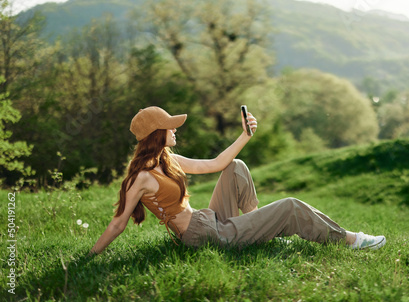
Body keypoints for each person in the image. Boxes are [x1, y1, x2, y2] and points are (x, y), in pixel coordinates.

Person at [89, 106, 386, 255]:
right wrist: (89, 256)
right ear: (156, 133)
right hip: (205, 236)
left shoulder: (167, 160)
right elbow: (118, 223)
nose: (176, 131)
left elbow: (218, 163)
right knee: (292, 207)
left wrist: (245, 135)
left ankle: (260, 231)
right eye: (170, 127)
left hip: (206, 222)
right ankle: (352, 241)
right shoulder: (141, 177)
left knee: (235, 167)